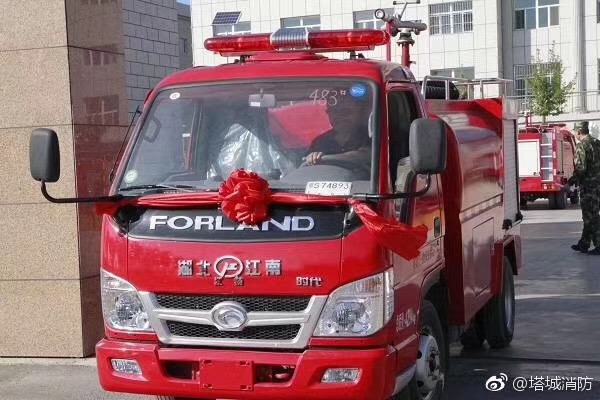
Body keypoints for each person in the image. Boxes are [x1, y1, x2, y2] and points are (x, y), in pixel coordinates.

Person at [303, 97, 372, 178]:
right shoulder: (319, 142)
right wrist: (312, 158)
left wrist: (325, 158)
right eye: (335, 111)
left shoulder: (372, 137)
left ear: (359, 113)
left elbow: (367, 155)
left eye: (346, 111)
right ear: (328, 113)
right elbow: (304, 170)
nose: (340, 116)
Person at [569, 121, 600, 255]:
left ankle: (599, 245)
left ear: (579, 132)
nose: (574, 134)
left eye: (574, 131)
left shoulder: (582, 145)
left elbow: (580, 169)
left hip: (588, 188)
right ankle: (584, 243)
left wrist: (570, 182)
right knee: (591, 215)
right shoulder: (597, 143)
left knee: (591, 217)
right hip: (598, 186)